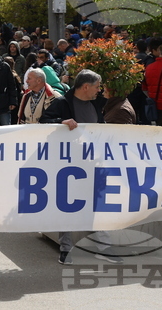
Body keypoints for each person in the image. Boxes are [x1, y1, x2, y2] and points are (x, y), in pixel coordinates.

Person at [39, 69, 106, 263]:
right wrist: (61, 122)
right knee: (67, 205)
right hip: (69, 165)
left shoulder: (96, 104)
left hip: (93, 163)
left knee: (96, 204)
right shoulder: (62, 103)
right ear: (85, 87)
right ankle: (66, 248)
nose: (99, 90)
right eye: (96, 86)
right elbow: (43, 123)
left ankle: (102, 247)